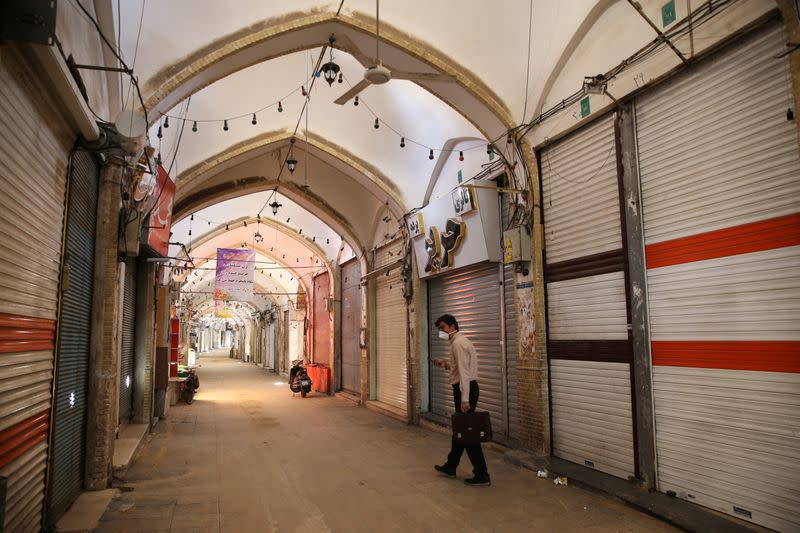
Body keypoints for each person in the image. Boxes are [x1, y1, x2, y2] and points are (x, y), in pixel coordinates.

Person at [432, 314, 491, 486]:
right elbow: (461, 368)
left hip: (465, 390)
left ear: (452, 326)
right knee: (461, 430)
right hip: (467, 388)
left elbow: (464, 374)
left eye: (443, 328)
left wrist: (464, 399)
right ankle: (451, 466)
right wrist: (445, 364)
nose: (441, 332)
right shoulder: (461, 341)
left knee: (467, 433)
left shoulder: (457, 344)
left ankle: (482, 474)